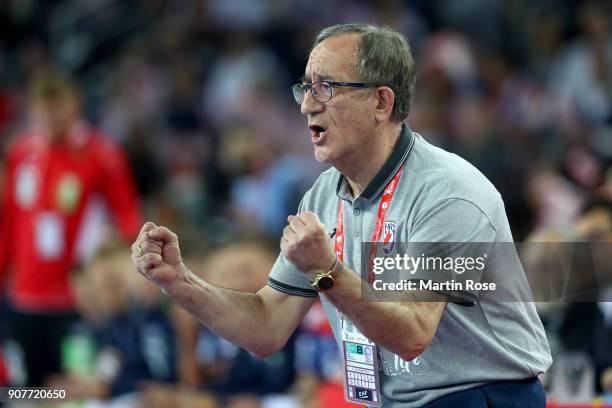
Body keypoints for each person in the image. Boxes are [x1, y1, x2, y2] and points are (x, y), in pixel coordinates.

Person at [132, 24, 552, 407]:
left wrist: (326, 270)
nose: (307, 106)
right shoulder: (322, 196)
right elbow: (266, 327)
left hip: (481, 397)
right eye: (306, 88)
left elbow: (412, 335)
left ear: (381, 102)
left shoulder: (447, 193)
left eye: (326, 87)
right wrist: (179, 282)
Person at [0, 69, 142, 386]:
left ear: (74, 105)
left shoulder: (102, 156)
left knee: (72, 389)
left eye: (58, 108)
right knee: (29, 391)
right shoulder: (21, 151)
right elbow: (10, 220)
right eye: (43, 110)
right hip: (24, 293)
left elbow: (127, 219)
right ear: (32, 110)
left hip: (75, 298)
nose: (51, 119)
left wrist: (114, 275)